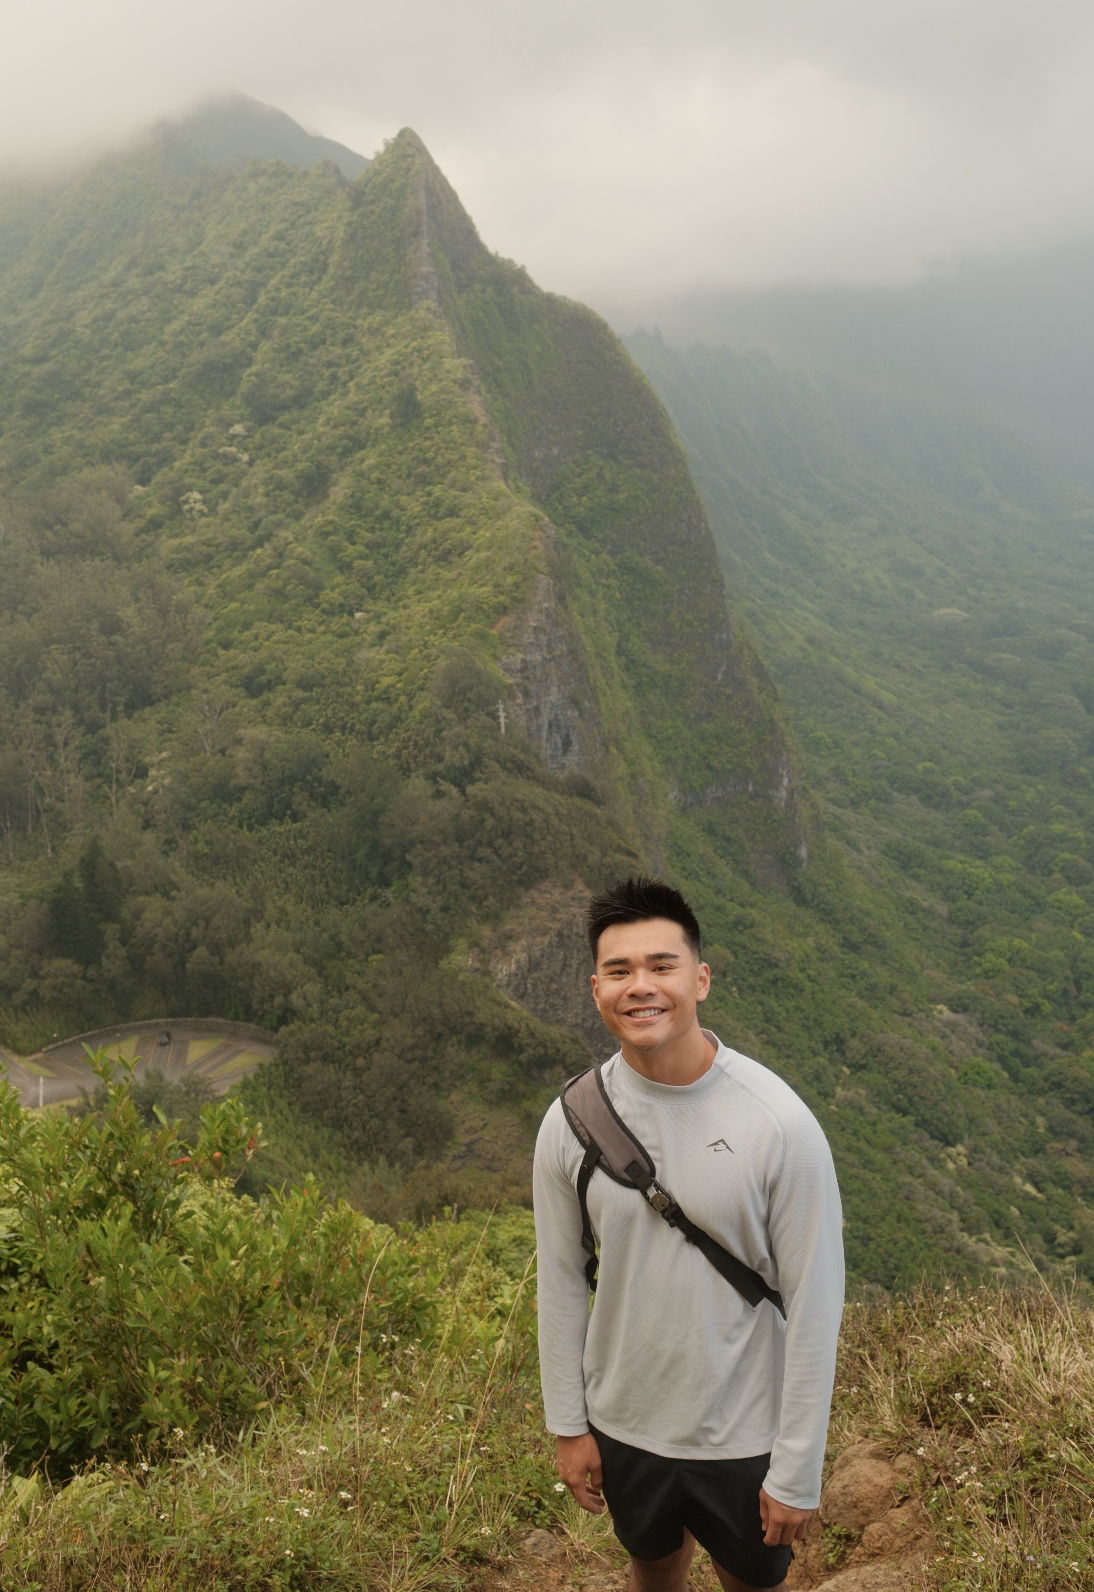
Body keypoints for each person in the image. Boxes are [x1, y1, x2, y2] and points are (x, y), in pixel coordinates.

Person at [533, 876, 844, 1592]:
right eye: (619, 971)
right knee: (653, 1565)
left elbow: (817, 1302)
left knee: (750, 1582)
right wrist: (569, 1425)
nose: (640, 986)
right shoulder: (571, 1122)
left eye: (661, 966)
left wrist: (797, 1467)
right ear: (595, 989)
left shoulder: (778, 1124)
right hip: (625, 1422)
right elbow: (558, 1279)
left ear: (700, 979)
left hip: (743, 1431)